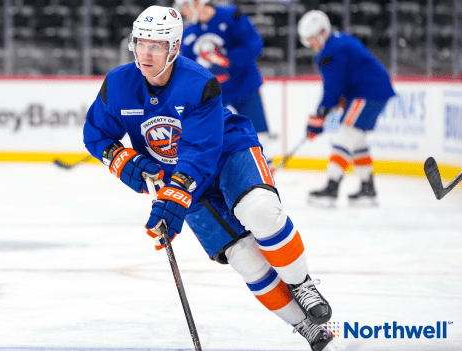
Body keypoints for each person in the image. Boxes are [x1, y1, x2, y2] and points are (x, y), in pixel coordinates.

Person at [83, 6, 337, 351]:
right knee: (243, 257)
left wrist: (173, 200)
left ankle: (302, 283)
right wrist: (122, 160)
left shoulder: (199, 83)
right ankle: (305, 325)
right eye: (140, 42)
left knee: (259, 210)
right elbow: (96, 133)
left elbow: (199, 153)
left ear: (174, 49)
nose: (145, 52)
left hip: (227, 155)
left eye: (156, 45)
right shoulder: (118, 85)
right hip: (181, 176)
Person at [298, 10, 395, 207]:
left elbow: (333, 89)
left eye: (312, 39)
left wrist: (319, 117)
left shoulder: (331, 51)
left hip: (367, 93)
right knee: (356, 140)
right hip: (371, 92)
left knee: (345, 133)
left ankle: (331, 188)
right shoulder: (338, 42)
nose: (311, 45)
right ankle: (367, 189)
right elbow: (342, 85)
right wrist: (324, 114)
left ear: (322, 32)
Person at [175, 0, 273, 163]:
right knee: (207, 136)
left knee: (258, 131)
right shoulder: (188, 34)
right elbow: (189, 71)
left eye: (184, 7)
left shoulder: (230, 16)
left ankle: (265, 168)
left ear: (197, 2)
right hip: (215, 95)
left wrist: (229, 60)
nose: (183, 13)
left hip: (244, 86)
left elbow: (255, 45)